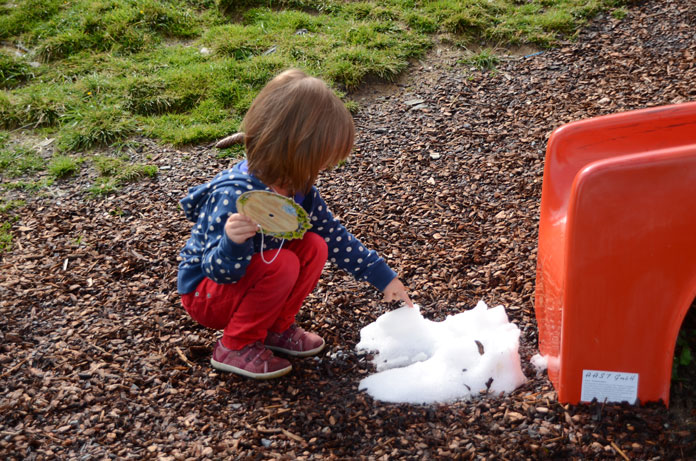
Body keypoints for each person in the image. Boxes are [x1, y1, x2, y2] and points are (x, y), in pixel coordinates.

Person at [177, 68, 412, 379]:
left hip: (253, 279)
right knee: (283, 263)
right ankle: (235, 345)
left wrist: (385, 279)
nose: (326, 166)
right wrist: (232, 243)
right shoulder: (232, 195)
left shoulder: (297, 188)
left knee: (315, 245)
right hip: (207, 293)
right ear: (296, 150)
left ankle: (275, 328)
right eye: (321, 158)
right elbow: (217, 270)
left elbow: (333, 238)